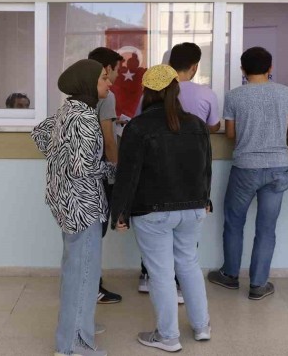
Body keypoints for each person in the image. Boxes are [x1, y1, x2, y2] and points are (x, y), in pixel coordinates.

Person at [111, 65, 212, 353]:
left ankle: (168, 337)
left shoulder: (138, 127)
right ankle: (202, 326)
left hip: (152, 212)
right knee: (189, 264)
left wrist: (120, 212)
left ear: (146, 92)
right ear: (175, 89)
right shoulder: (197, 125)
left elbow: (128, 174)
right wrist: (205, 199)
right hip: (194, 208)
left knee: (161, 273)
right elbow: (206, 168)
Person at [31, 59, 115, 356]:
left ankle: (73, 331)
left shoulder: (68, 109)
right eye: (104, 78)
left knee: (74, 270)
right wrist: (114, 171)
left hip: (66, 202)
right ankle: (73, 345)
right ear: (87, 82)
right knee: (84, 276)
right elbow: (84, 168)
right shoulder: (86, 118)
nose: (109, 83)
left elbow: (39, 134)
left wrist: (59, 161)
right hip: (83, 206)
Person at [207, 47, 288, 300]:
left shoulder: (234, 96)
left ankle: (230, 275)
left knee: (234, 222)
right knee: (266, 228)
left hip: (245, 168)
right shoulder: (287, 94)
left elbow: (230, 134)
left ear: (242, 70)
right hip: (277, 167)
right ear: (270, 68)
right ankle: (258, 284)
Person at [137, 42, 221, 299]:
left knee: (156, 242)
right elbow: (214, 127)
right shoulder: (206, 94)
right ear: (194, 67)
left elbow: (140, 123)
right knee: (186, 246)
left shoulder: (154, 92)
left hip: (156, 174)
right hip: (190, 176)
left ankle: (147, 276)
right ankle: (183, 287)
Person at [87, 47, 125, 305]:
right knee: (95, 232)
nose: (116, 76)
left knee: (84, 234)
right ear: (107, 68)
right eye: (116, 70)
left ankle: (86, 282)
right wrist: (116, 173)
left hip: (83, 173)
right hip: (100, 171)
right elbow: (109, 141)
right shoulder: (106, 96)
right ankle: (93, 286)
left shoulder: (78, 93)